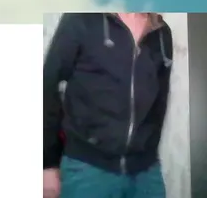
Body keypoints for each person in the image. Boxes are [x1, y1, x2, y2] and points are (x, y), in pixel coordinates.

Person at [43, 12, 174, 198]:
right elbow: (47, 86)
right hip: (87, 169)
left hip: (146, 172)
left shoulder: (161, 33)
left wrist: (149, 149)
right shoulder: (82, 18)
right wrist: (48, 163)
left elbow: (160, 101)